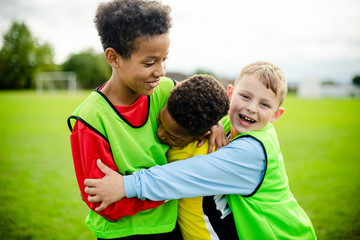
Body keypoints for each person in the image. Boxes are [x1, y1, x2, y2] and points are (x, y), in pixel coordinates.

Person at [84, 61, 317, 239]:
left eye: (264, 104)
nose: (251, 108)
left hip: (280, 234)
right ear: (230, 94)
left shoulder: (252, 152)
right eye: (245, 96)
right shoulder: (236, 125)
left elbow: (187, 173)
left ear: (276, 115)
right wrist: (215, 122)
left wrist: (126, 185)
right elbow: (204, 108)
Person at [67, 0, 226, 239]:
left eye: (164, 60)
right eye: (149, 62)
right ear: (114, 58)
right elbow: (104, 203)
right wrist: (172, 186)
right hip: (123, 233)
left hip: (171, 227)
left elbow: (204, 102)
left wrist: (213, 124)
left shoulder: (165, 90)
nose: (161, 70)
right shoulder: (91, 120)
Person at [156, 74, 238, 239]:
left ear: (201, 136)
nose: (160, 133)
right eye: (160, 121)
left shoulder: (192, 156)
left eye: (173, 138)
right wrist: (217, 123)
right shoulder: (187, 118)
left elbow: (157, 187)